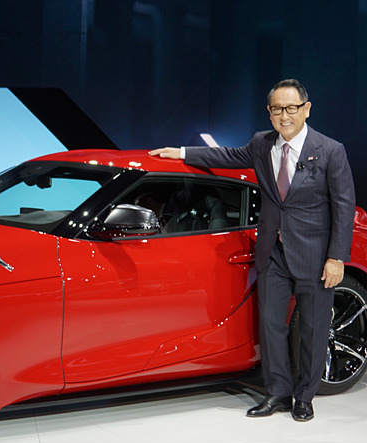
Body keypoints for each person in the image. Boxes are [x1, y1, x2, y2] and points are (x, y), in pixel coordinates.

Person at [150, 79, 355, 422]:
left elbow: (344, 206)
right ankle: (277, 393)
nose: (284, 116)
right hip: (272, 252)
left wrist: (337, 257)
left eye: (291, 108)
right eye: (277, 109)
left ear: (306, 109)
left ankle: (305, 397)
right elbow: (226, 156)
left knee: (313, 329)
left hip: (316, 256)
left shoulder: (331, 150)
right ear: (269, 113)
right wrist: (182, 153)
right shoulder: (262, 143)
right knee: (271, 326)